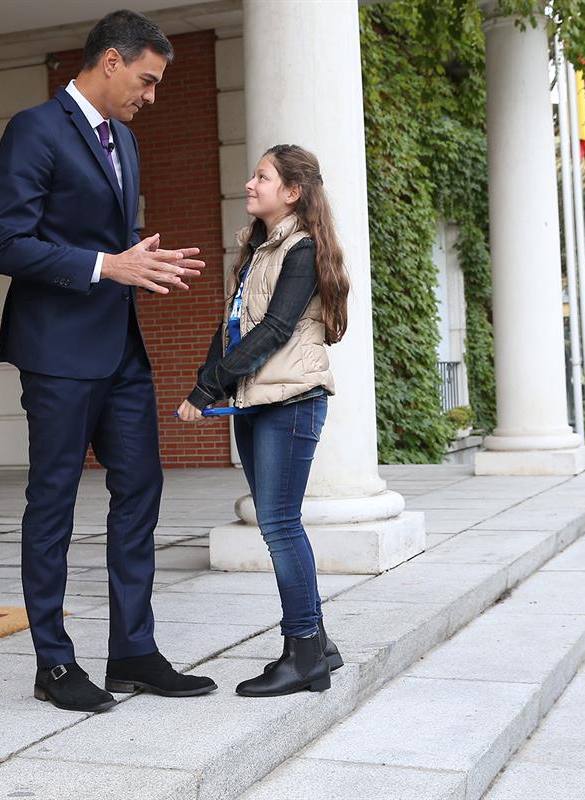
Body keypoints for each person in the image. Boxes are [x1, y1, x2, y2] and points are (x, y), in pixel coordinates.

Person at [0, 9, 215, 713]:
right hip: (56, 353)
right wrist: (107, 265)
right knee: (52, 503)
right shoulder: (35, 129)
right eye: (145, 80)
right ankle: (54, 664)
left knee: (141, 489)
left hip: (120, 351)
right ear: (109, 62)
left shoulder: (126, 142)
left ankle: (133, 651)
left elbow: (114, 250)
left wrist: (137, 264)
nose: (150, 95)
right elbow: (7, 244)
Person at [176, 144, 349, 697]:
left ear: (292, 193)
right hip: (258, 403)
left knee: (278, 525)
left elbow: (273, 331)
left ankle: (303, 656)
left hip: (290, 402)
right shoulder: (259, 251)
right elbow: (230, 329)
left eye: (262, 177)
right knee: (279, 522)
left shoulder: (299, 249)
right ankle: (318, 644)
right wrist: (203, 385)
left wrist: (208, 389)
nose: (250, 185)